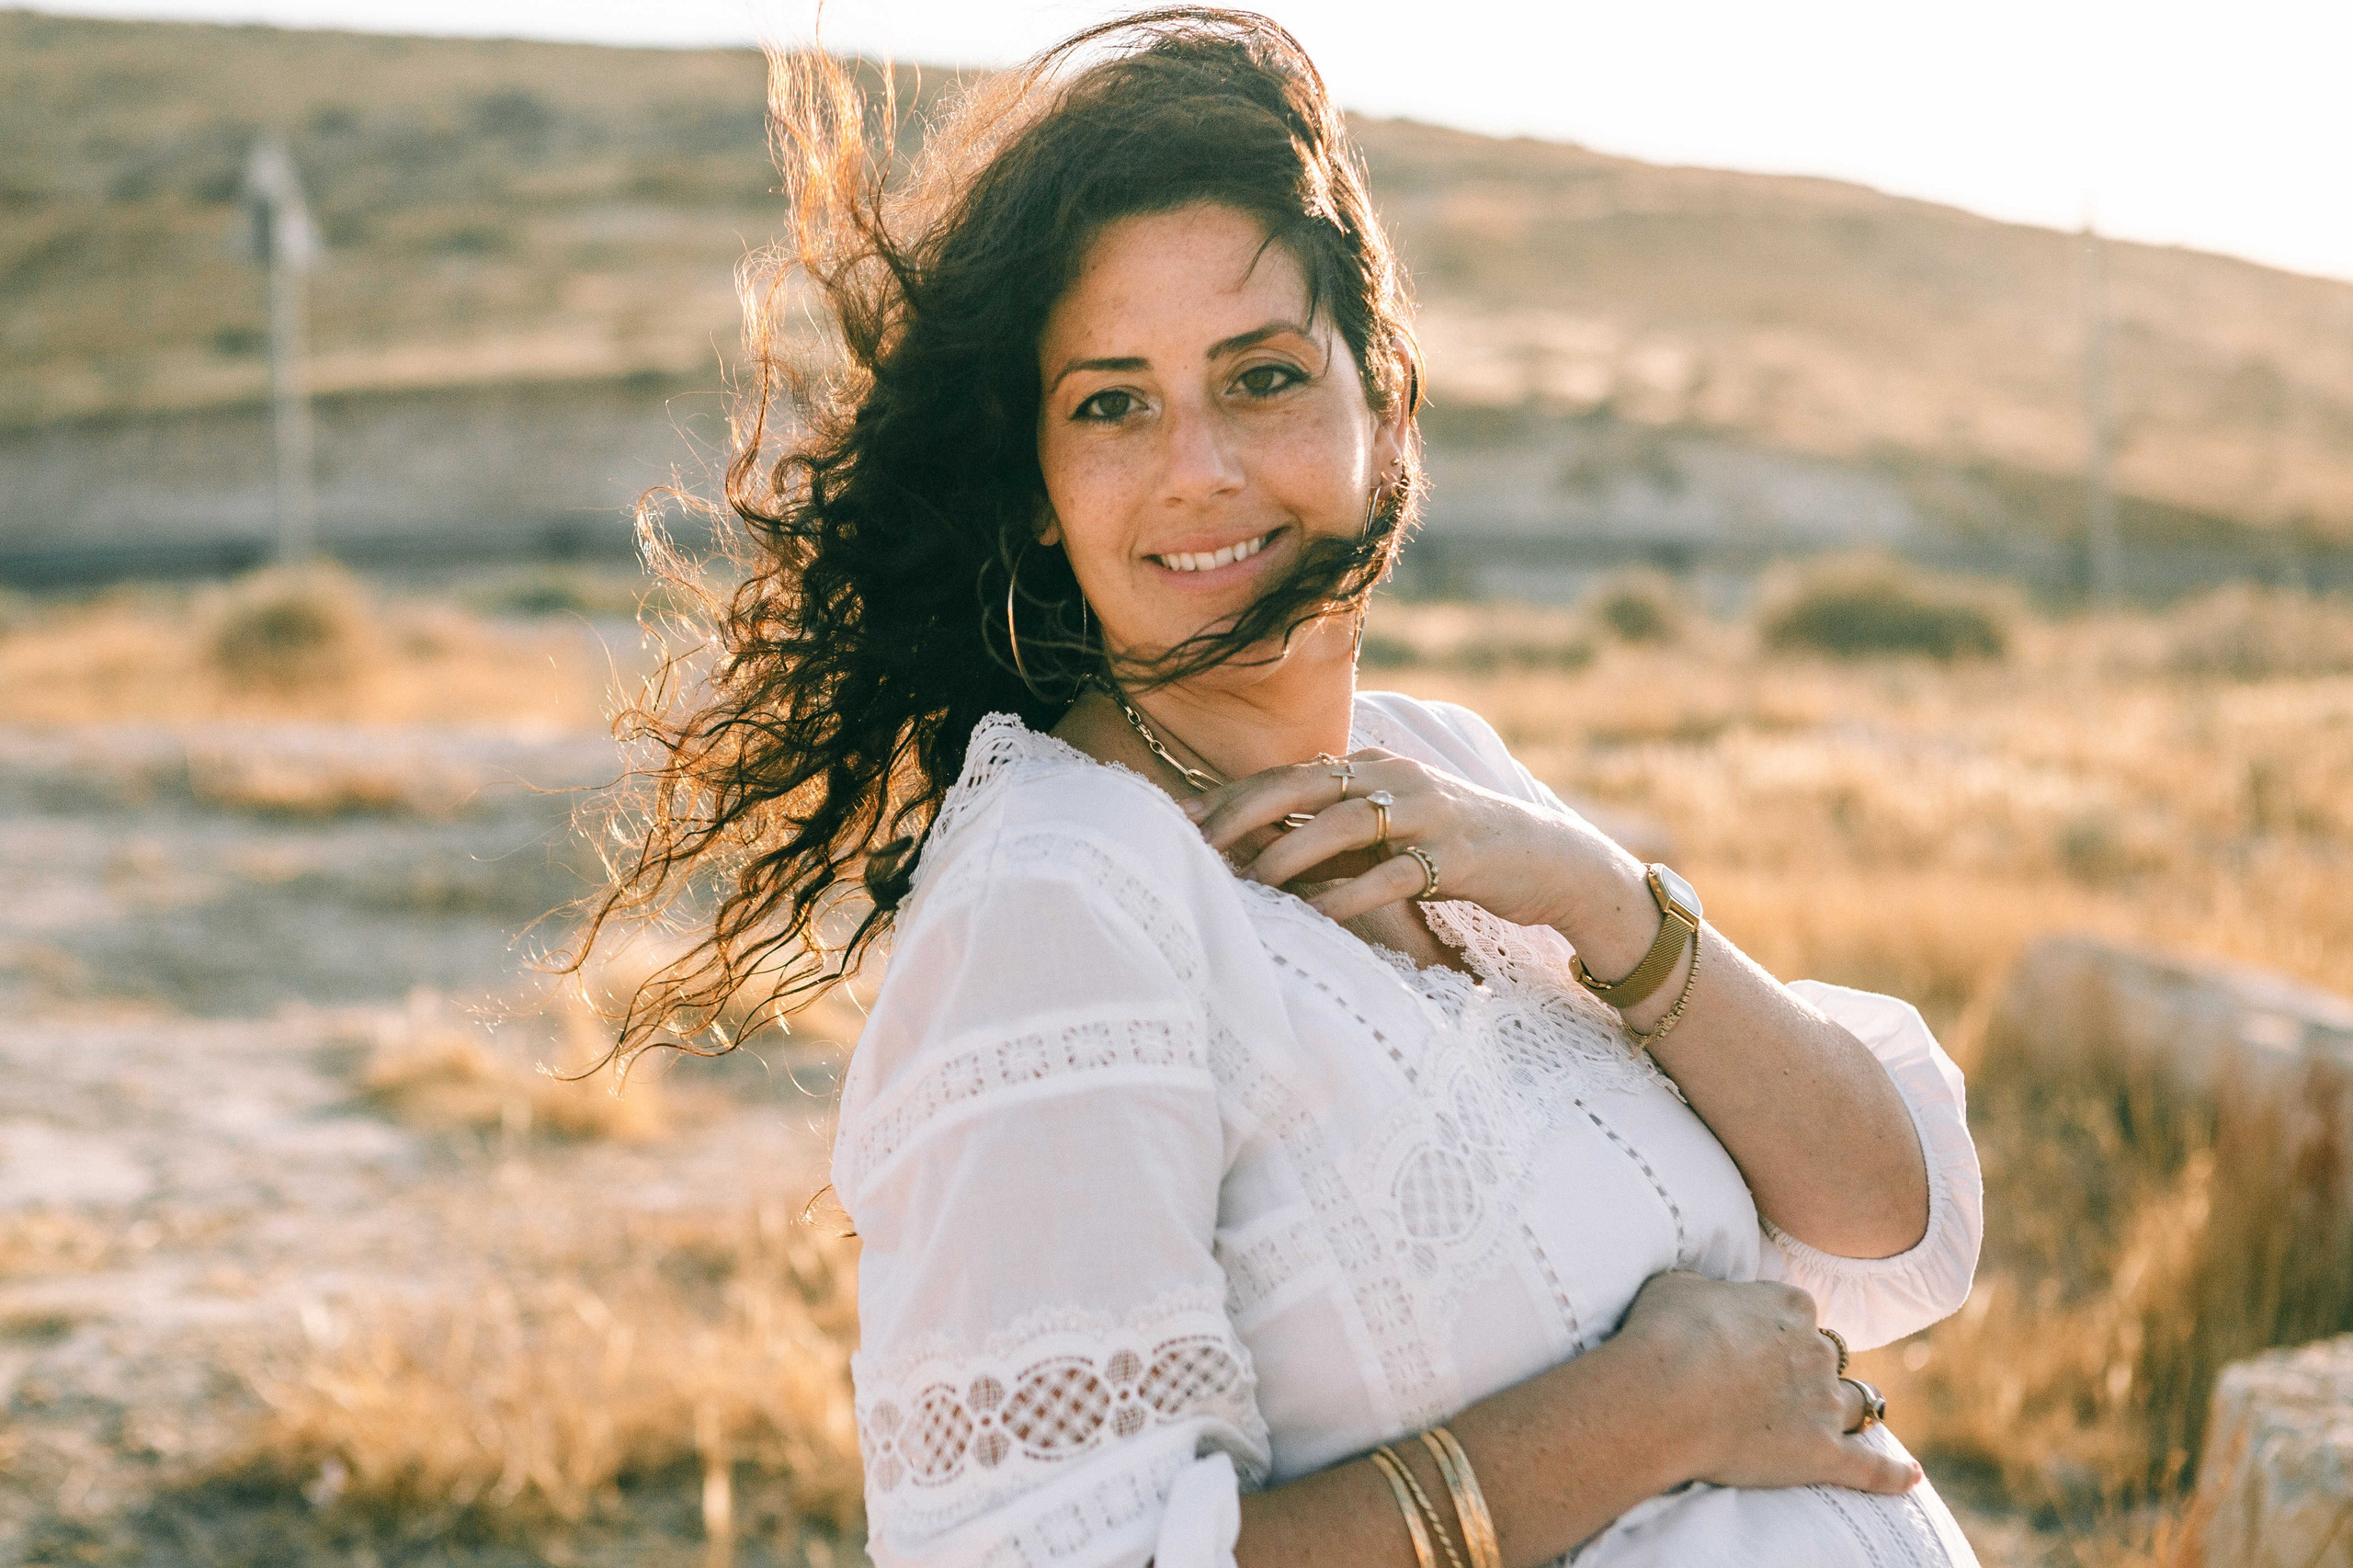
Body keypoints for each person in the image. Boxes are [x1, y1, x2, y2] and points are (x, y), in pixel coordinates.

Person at [584, 10, 1984, 1565]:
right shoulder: (1058, 901)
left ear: (1385, 407)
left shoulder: (1449, 769)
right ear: (1039, 493)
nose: (1199, 468)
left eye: (1262, 378)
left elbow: (1891, 1216)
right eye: (1111, 403)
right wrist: (1647, 1413)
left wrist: (1597, 897)